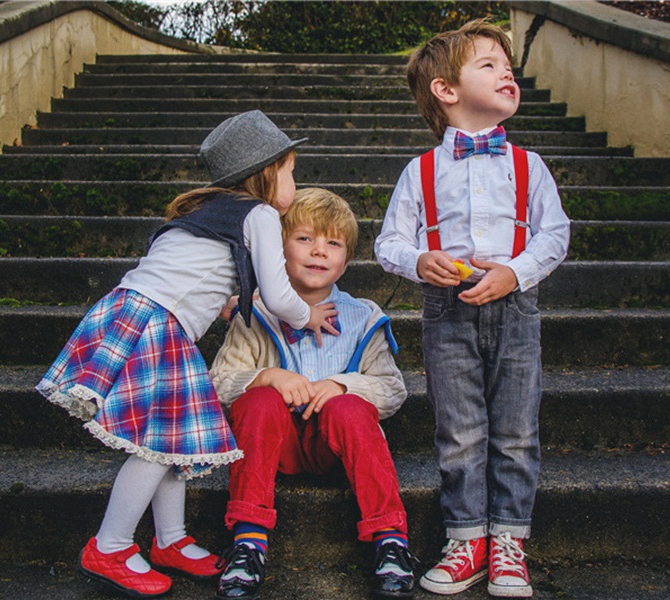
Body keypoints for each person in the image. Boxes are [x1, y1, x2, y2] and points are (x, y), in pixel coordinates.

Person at [36, 110, 339, 598]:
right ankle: (110, 546)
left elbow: (192, 268)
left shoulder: (204, 212)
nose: (294, 182)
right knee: (156, 448)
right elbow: (282, 297)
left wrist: (223, 301)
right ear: (267, 173)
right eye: (291, 171)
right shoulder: (259, 214)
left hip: (128, 311)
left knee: (172, 438)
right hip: (160, 324)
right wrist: (308, 316)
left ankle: (170, 539)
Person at [374, 20, 571, 598]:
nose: (506, 71)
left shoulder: (530, 165)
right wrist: (419, 261)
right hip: (446, 311)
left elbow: (554, 235)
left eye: (507, 65)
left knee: (515, 429)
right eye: (488, 64)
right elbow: (389, 242)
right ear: (446, 89)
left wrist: (515, 271)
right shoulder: (421, 171)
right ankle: (467, 539)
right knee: (458, 430)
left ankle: (508, 540)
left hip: (516, 309)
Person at [210, 187, 416, 600]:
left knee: (350, 407)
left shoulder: (364, 317)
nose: (319, 251)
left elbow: (392, 389)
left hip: (335, 447)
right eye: (305, 238)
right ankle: (248, 540)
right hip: (275, 443)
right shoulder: (254, 312)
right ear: (278, 249)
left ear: (345, 260)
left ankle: (390, 539)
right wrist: (268, 376)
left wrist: (342, 384)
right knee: (259, 398)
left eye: (333, 243)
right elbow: (217, 382)